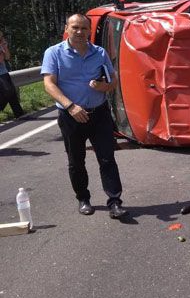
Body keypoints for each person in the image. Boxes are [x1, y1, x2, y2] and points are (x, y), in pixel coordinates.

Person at [41, 14, 128, 219]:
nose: (79, 32)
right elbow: (49, 84)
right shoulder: (53, 53)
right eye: (75, 27)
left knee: (107, 158)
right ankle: (83, 198)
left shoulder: (99, 53)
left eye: (84, 28)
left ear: (89, 30)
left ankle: (114, 202)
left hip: (99, 114)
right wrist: (71, 106)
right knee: (76, 161)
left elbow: (113, 81)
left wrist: (103, 86)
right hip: (71, 117)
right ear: (67, 28)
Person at [0, 31, 26, 119]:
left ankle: (19, 114)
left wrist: (5, 47)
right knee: (8, 92)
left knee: (12, 93)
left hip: (3, 72)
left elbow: (7, 57)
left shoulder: (2, 44)